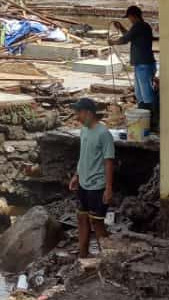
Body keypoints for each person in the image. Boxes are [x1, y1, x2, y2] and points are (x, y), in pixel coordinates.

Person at [68, 98, 115, 259]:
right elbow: (83, 156)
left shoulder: (104, 134)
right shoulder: (84, 131)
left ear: (88, 113)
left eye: (78, 113)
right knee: (81, 219)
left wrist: (108, 188)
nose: (77, 117)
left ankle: (109, 258)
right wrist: (76, 175)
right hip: (83, 184)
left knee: (97, 223)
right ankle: (82, 255)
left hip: (97, 186)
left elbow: (108, 162)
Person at [109, 6, 156, 110]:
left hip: (144, 64)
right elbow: (130, 36)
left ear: (133, 16)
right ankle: (143, 113)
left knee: (146, 93)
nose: (129, 20)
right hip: (142, 64)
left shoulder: (138, 26)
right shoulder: (143, 26)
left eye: (129, 17)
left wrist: (113, 42)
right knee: (140, 94)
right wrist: (121, 28)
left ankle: (150, 115)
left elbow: (125, 39)